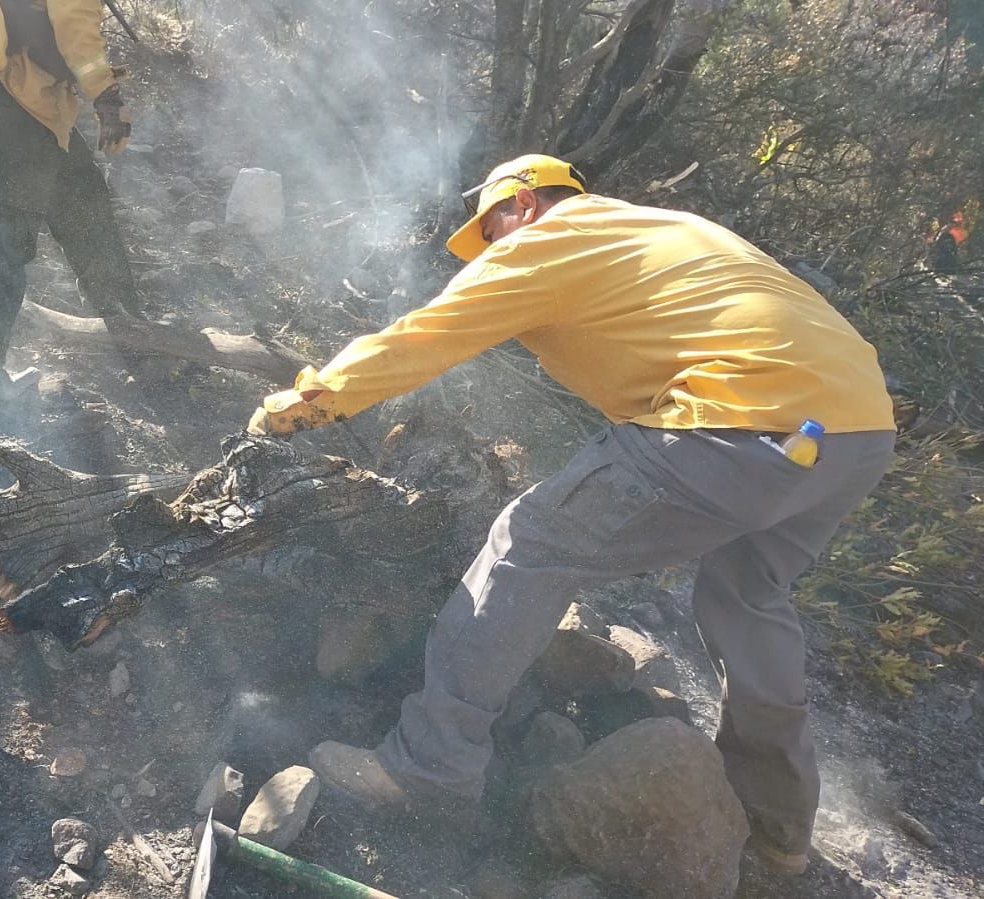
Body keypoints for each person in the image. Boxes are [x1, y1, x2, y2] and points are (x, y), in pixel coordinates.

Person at [248, 154, 896, 876]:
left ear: (522, 204)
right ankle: (777, 825)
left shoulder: (552, 236)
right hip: (850, 431)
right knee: (746, 599)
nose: (490, 247)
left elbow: (427, 335)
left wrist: (311, 400)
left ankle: (427, 768)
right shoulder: (651, 229)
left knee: (528, 544)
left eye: (489, 229)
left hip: (736, 419)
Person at [0, 0, 141, 421]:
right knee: (6, 232)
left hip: (17, 92)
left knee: (81, 199)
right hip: (19, 94)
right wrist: (106, 96)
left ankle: (131, 330)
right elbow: (74, 21)